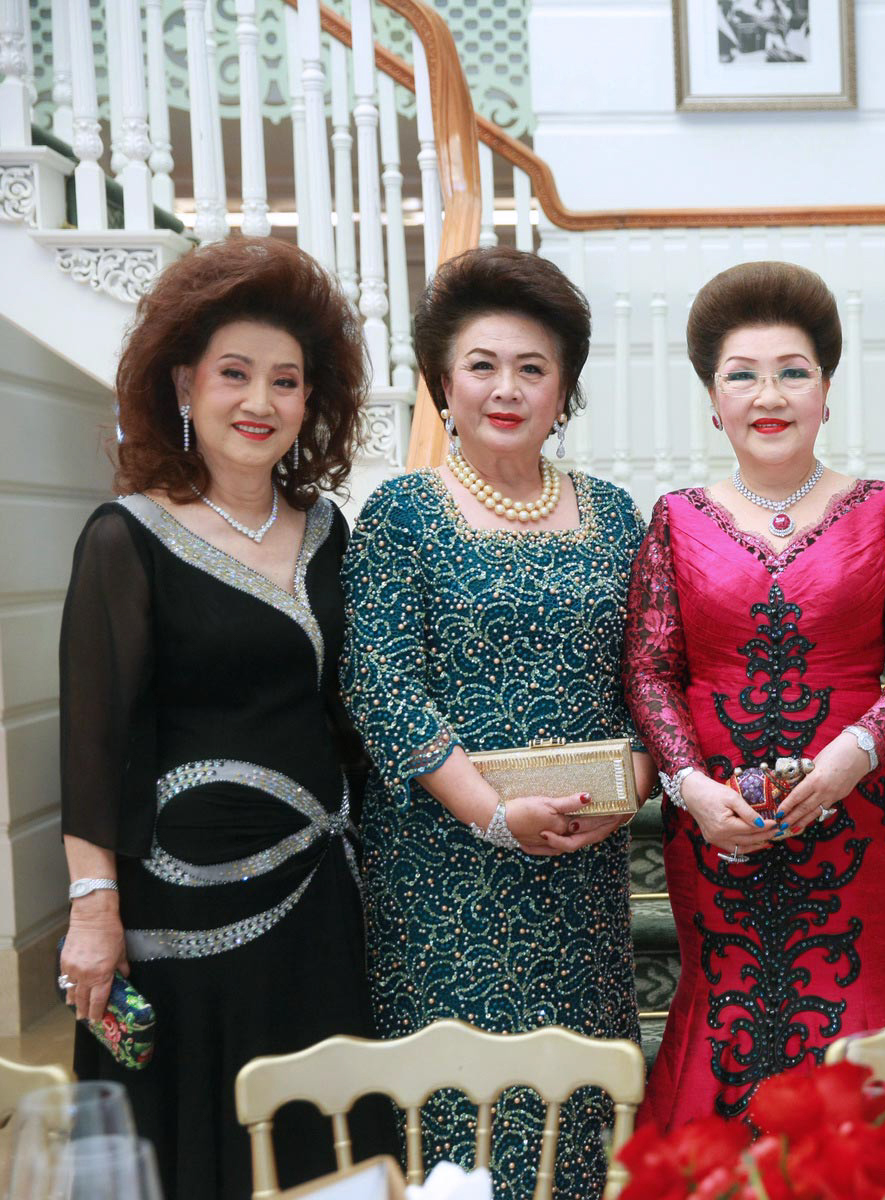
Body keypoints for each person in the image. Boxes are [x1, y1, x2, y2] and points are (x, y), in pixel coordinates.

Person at [57, 236, 378, 1197]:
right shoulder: (127, 536)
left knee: (316, 1145)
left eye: (286, 381)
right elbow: (93, 739)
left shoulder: (329, 532)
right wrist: (92, 910)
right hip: (176, 909)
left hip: (321, 901)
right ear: (184, 382)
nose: (260, 402)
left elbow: (343, 715)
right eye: (235, 374)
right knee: (192, 1148)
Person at [342, 246, 650, 1197]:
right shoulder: (401, 514)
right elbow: (379, 686)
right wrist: (488, 813)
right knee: (457, 1122)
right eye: (483, 365)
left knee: (581, 1110)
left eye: (533, 367)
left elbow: (650, 681)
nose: (506, 388)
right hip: (446, 877)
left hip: (581, 873)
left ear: (566, 387)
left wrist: (631, 786)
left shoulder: (614, 514)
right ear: (443, 382)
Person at [623, 261, 885, 1128]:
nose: (769, 394)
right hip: (714, 824)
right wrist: (690, 790)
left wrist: (855, 756)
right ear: (713, 398)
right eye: (743, 374)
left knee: (856, 997)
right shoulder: (676, 517)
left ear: (827, 390)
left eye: (792, 371)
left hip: (855, 810)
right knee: (724, 998)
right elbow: (651, 670)